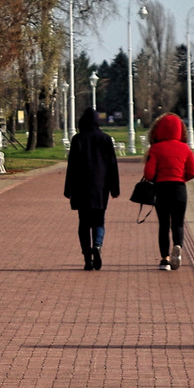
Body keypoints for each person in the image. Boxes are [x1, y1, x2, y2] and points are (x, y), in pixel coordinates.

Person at [64, 108, 120, 270]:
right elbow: (112, 166)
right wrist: (114, 188)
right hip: (100, 188)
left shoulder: (78, 140)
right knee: (99, 220)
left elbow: (72, 167)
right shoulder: (105, 139)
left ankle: (87, 258)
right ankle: (97, 244)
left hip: (81, 188)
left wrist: (69, 190)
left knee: (84, 223)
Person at [142, 112, 194, 270]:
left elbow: (148, 174)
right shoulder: (185, 148)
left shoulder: (156, 148)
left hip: (162, 188)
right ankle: (178, 246)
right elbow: (193, 171)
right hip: (179, 188)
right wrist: (181, 178)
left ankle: (165, 259)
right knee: (178, 224)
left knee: (164, 225)